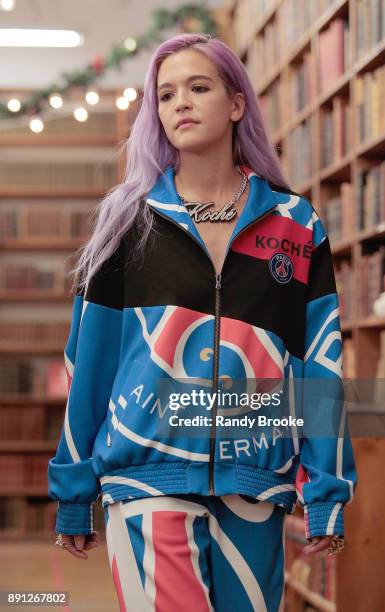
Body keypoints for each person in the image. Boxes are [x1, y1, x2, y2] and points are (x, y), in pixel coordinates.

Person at [48, 33, 357, 611]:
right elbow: (88, 365)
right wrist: (73, 490)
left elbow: (319, 361)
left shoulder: (295, 225)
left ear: (237, 102)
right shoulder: (128, 223)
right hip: (145, 477)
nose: (179, 104)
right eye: (164, 95)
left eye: (197, 87)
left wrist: (325, 490)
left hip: (254, 481)